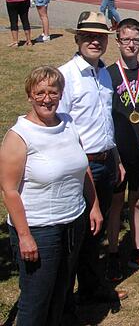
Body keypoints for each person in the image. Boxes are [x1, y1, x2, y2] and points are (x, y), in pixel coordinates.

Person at [0, 66, 102, 326]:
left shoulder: (68, 123)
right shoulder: (19, 136)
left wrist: (94, 206)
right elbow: (9, 190)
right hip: (39, 229)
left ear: (60, 94)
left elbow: (83, 167)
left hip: (72, 221)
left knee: (62, 290)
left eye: (53, 92)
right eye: (40, 93)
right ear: (30, 96)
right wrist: (24, 236)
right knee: (36, 299)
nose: (47, 98)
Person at [58, 11, 127, 305]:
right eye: (88, 36)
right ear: (77, 39)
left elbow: (105, 122)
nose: (95, 41)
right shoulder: (65, 76)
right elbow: (61, 128)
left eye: (100, 36)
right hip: (80, 166)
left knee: (94, 234)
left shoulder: (103, 74)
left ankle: (90, 288)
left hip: (106, 161)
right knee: (75, 236)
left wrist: (117, 158)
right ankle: (64, 300)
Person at [105, 19, 139, 282]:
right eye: (125, 39)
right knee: (116, 204)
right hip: (116, 152)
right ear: (117, 42)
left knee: (138, 201)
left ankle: (138, 249)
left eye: (135, 39)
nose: (131, 44)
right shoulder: (108, 75)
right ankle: (113, 253)